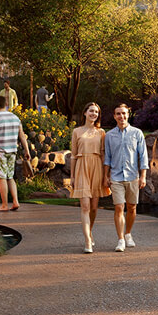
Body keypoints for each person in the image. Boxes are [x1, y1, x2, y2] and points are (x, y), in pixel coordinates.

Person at [103, 103, 148, 252]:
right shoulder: (109, 135)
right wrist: (106, 176)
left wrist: (143, 176)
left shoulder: (137, 133)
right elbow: (107, 158)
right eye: (118, 114)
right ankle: (121, 239)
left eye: (124, 113)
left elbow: (143, 156)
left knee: (132, 207)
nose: (121, 116)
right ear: (114, 116)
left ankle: (128, 233)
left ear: (128, 114)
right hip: (116, 177)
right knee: (118, 207)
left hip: (132, 176)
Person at [68, 103, 108, 253]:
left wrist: (106, 174)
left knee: (93, 207)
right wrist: (72, 176)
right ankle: (87, 241)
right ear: (84, 113)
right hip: (81, 167)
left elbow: (104, 155)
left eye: (96, 112)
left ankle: (89, 232)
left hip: (97, 166)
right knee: (84, 206)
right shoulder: (77, 132)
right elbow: (73, 156)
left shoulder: (101, 132)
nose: (94, 114)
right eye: (91, 111)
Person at [0, 92, 23, 213]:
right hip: (12, 151)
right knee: (10, 177)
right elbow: (22, 137)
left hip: (0, 151)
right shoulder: (16, 118)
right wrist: (27, 150)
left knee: (2, 178)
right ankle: (15, 201)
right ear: (7, 104)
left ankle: (4, 205)